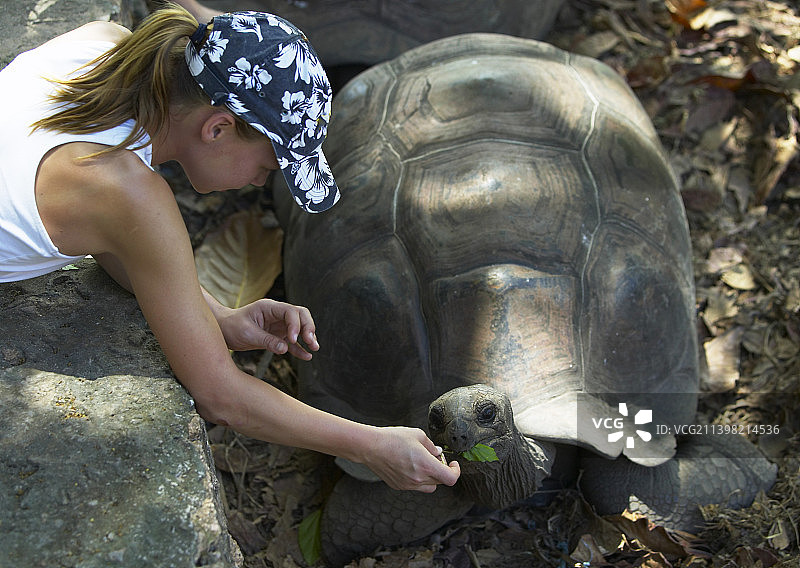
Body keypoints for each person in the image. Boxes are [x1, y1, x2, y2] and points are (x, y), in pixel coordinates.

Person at [0, 4, 460, 492]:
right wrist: (371, 445)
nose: (261, 182)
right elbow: (222, 397)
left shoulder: (104, 45)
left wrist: (215, 317)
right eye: (267, 165)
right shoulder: (129, 194)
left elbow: (117, 249)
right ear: (217, 128)